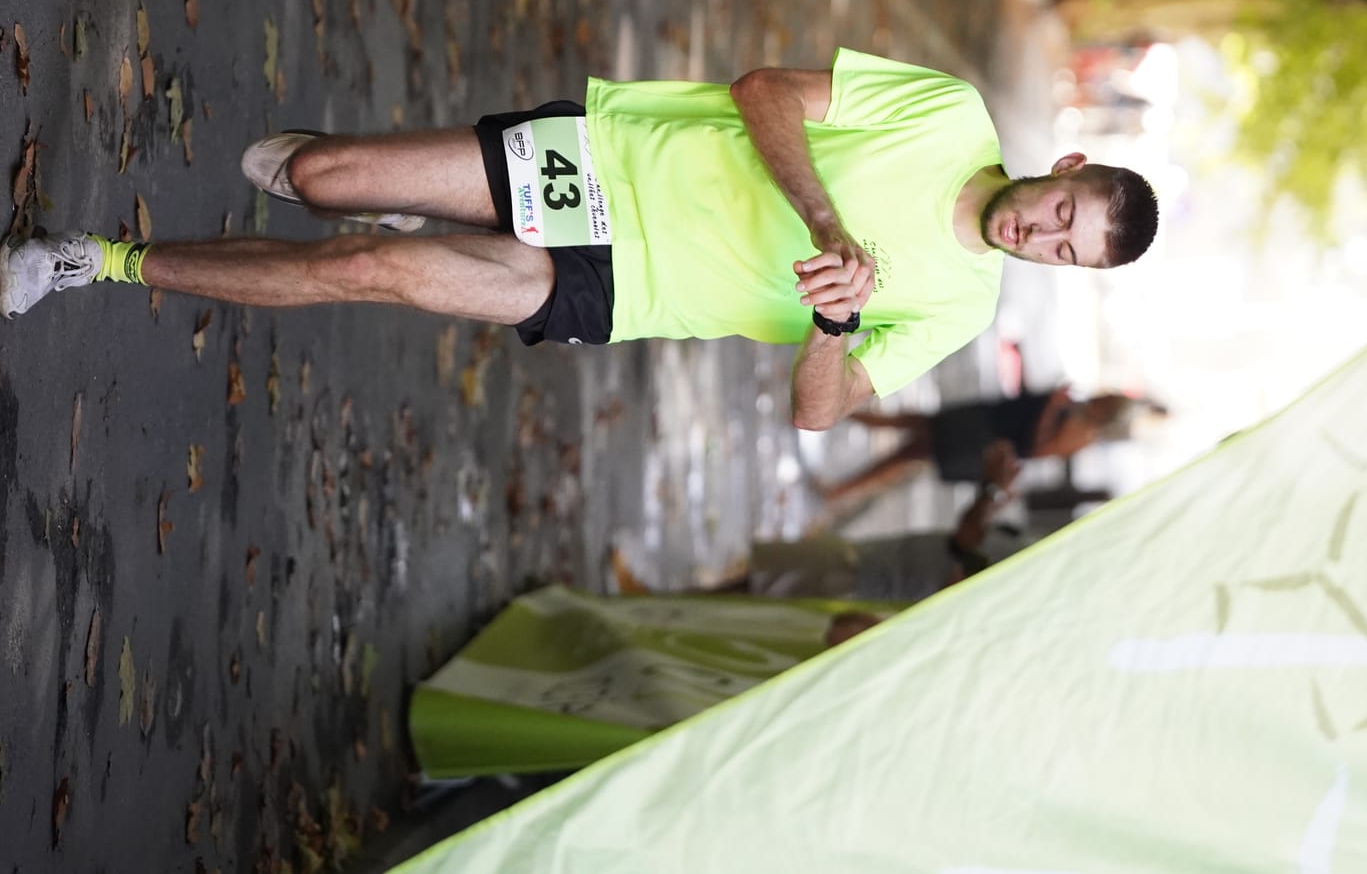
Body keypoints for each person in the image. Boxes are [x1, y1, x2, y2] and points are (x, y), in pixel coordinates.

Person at [1, 50, 1159, 429]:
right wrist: (822, 219)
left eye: (1064, 253)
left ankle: (91, 260)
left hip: (620, 290)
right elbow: (762, 90)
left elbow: (822, 409)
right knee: (315, 179)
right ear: (1066, 167)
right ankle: (373, 185)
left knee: (363, 269)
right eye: (1063, 213)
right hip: (605, 166)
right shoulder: (946, 112)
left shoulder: (960, 307)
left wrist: (835, 319)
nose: (1041, 235)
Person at [741, 434, 1030, 602]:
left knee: (755, 586)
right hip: (872, 570)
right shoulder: (1036, 560)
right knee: (759, 580)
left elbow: (965, 548)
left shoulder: (1028, 575)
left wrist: (993, 490)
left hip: (867, 582)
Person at [816, 382, 1149, 511]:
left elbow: (1037, 449)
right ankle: (839, 410)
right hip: (984, 421)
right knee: (908, 424)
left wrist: (1051, 406)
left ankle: (838, 491)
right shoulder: (1078, 407)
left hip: (980, 441)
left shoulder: (1083, 433)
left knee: (905, 455)